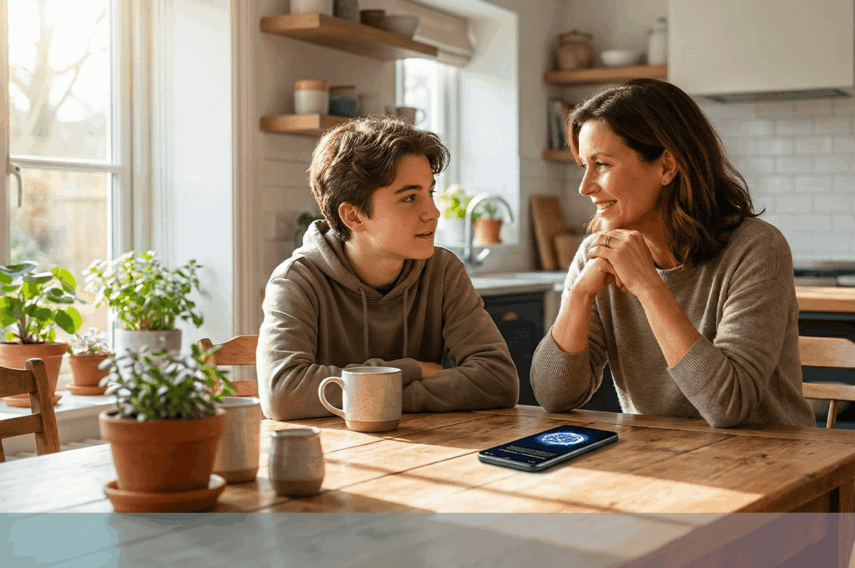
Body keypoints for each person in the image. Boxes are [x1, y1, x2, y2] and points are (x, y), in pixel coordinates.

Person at [530, 79, 815, 428]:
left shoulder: (756, 249)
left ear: (666, 166)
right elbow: (553, 397)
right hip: (658, 461)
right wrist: (579, 295)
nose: (585, 186)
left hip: (768, 462)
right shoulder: (596, 253)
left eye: (602, 164)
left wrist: (648, 288)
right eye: (582, 166)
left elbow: (728, 406)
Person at [257, 116, 518, 421]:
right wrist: (414, 370)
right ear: (353, 216)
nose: (433, 213)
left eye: (429, 193)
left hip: (425, 449)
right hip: (332, 457)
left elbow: (498, 380)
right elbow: (283, 394)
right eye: (409, 197)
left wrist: (382, 396)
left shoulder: (443, 271)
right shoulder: (296, 281)